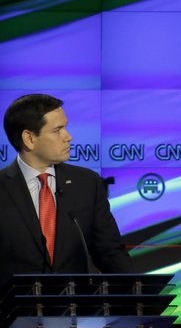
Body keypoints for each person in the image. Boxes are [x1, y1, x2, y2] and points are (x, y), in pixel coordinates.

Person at [0, 93, 134, 284]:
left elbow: (110, 252)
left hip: (75, 310)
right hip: (14, 311)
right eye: (57, 130)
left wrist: (135, 297)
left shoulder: (87, 183)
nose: (68, 137)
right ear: (29, 138)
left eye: (66, 127)